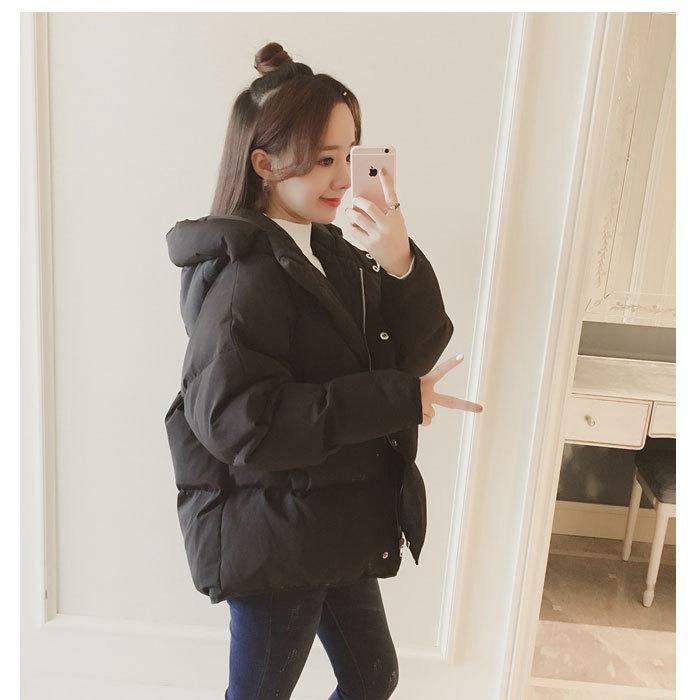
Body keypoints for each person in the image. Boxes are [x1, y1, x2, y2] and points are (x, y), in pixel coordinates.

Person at [164, 41, 483, 700]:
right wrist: (396, 399)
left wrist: (399, 261)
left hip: (329, 519)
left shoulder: (330, 251)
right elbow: (241, 423)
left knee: (372, 677)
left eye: (350, 155)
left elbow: (407, 354)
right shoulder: (246, 279)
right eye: (323, 160)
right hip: (276, 536)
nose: (342, 178)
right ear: (264, 164)